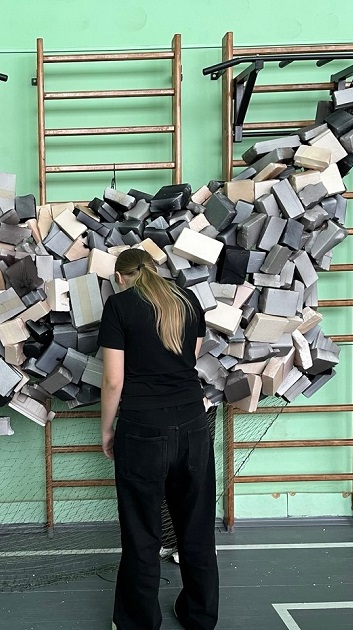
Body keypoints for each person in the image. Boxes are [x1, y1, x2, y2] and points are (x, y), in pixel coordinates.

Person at [98, 248, 219, 630]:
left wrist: (107, 429)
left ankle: (138, 623)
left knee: (142, 534)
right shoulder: (188, 299)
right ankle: (200, 616)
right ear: (155, 268)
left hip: (142, 429)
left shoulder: (119, 306)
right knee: (197, 529)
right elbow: (189, 358)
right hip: (193, 425)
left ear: (120, 278)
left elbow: (113, 380)